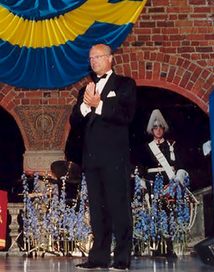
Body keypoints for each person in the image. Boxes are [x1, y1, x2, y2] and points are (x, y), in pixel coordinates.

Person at [69, 44, 137, 271]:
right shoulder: (85, 89)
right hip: (92, 158)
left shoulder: (125, 85)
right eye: (91, 58)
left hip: (115, 158)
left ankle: (122, 259)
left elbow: (127, 116)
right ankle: (97, 257)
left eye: (98, 57)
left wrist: (100, 105)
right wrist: (86, 107)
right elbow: (75, 121)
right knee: (97, 211)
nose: (94, 61)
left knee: (119, 208)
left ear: (111, 59)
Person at [142, 109, 189, 187]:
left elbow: (180, 165)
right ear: (152, 130)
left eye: (161, 127)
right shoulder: (147, 147)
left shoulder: (171, 145)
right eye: (155, 128)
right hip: (152, 182)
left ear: (164, 129)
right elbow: (142, 166)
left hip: (169, 181)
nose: (158, 130)